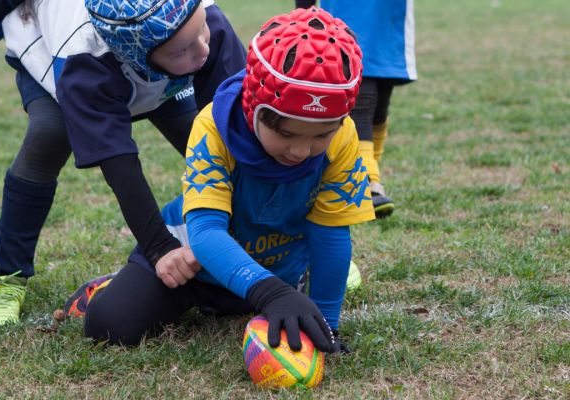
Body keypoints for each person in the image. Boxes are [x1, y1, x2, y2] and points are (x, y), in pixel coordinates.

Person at [67, 6, 375, 354]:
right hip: (194, 264)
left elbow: (331, 236)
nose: (302, 150)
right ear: (252, 106)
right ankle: (112, 285)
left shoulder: (343, 137)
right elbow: (207, 234)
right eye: (286, 133)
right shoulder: (213, 126)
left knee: (269, 301)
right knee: (108, 326)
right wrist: (272, 292)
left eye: (321, 136)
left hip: (275, 271)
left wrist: (327, 325)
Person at [0, 0, 246, 328]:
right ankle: (7, 277)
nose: (204, 49)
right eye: (187, 47)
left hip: (161, 70)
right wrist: (161, 249)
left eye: (201, 31)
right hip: (54, 58)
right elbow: (119, 164)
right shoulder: (82, 58)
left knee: (216, 146)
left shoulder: (202, 23)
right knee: (49, 135)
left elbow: (239, 132)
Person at [295, 0, 417, 218]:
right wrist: (303, 12)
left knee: (380, 100)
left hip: (387, 16)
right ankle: (367, 181)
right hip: (343, 13)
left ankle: (365, 172)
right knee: (362, 96)